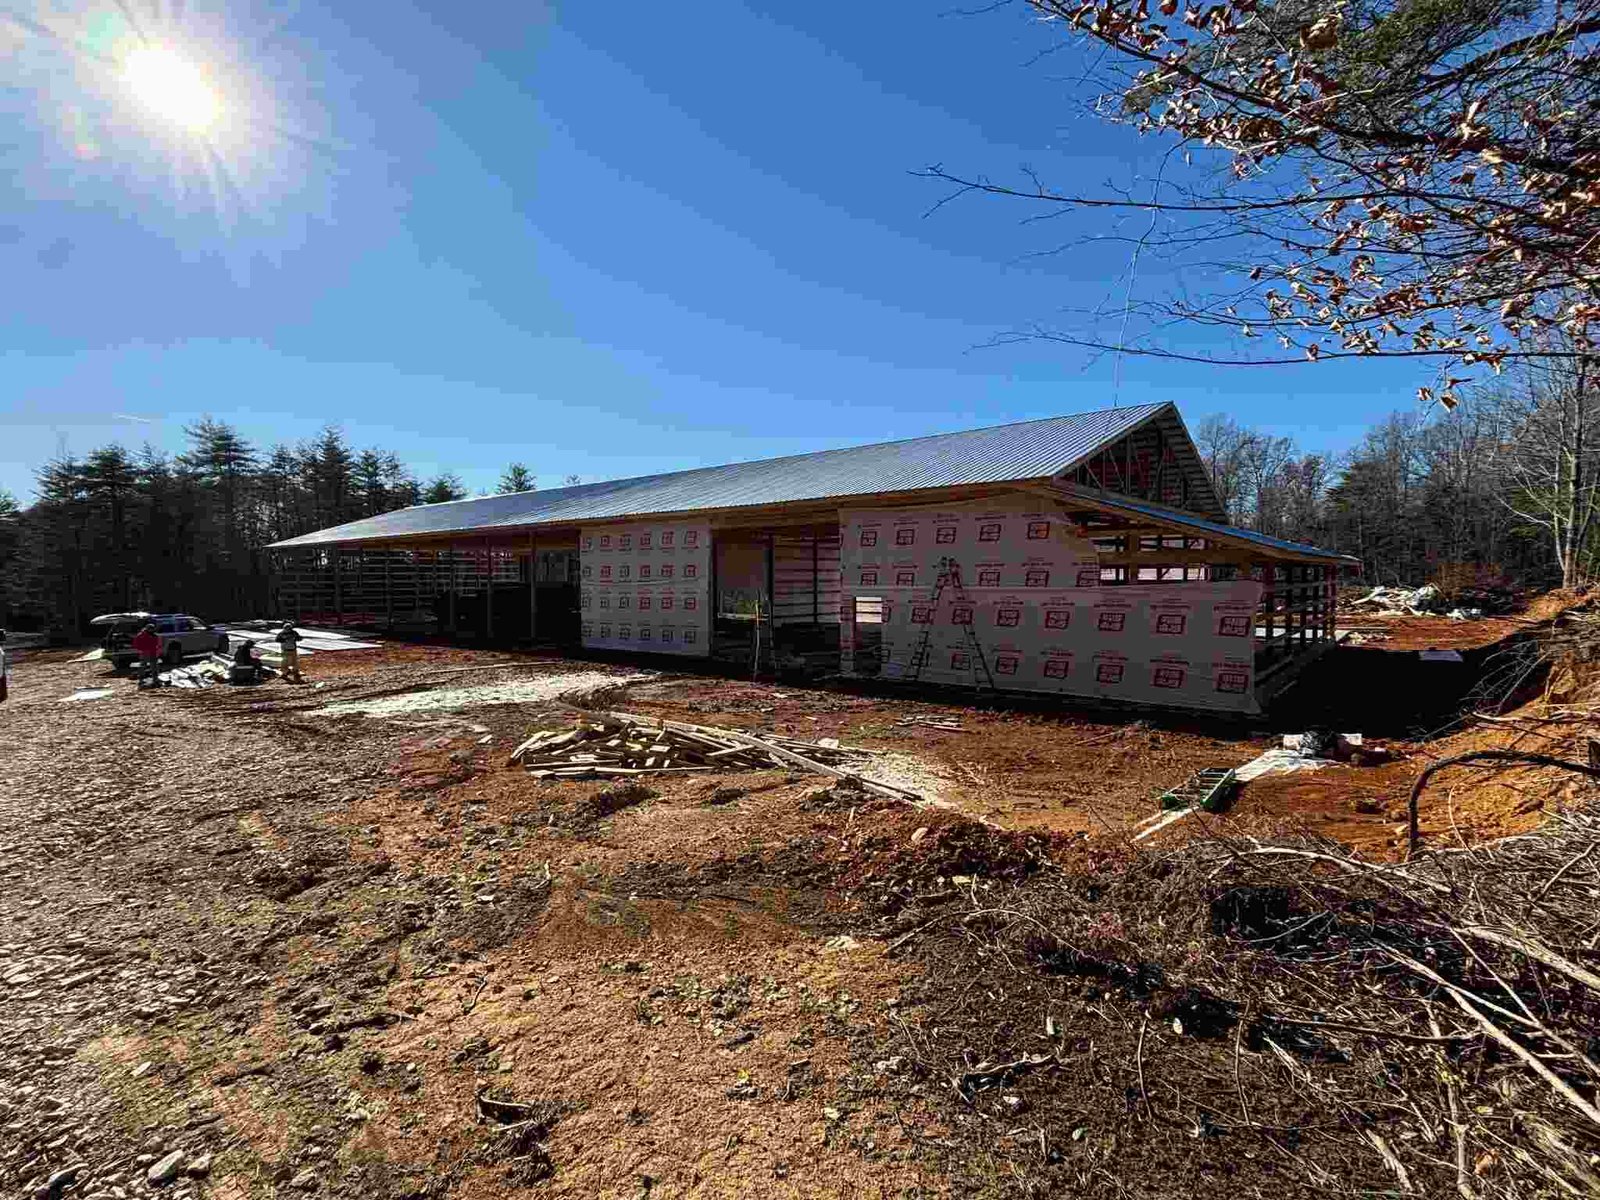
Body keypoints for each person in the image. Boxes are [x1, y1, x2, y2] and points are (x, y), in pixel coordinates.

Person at [131, 623, 162, 688]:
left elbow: (158, 645)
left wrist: (158, 652)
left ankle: (155, 680)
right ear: (147, 628)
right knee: (143, 667)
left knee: (154, 667)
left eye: (153, 629)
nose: (152, 630)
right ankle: (141, 680)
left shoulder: (154, 636)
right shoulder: (141, 635)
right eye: (151, 629)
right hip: (145, 653)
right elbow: (136, 644)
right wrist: (142, 650)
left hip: (153, 653)